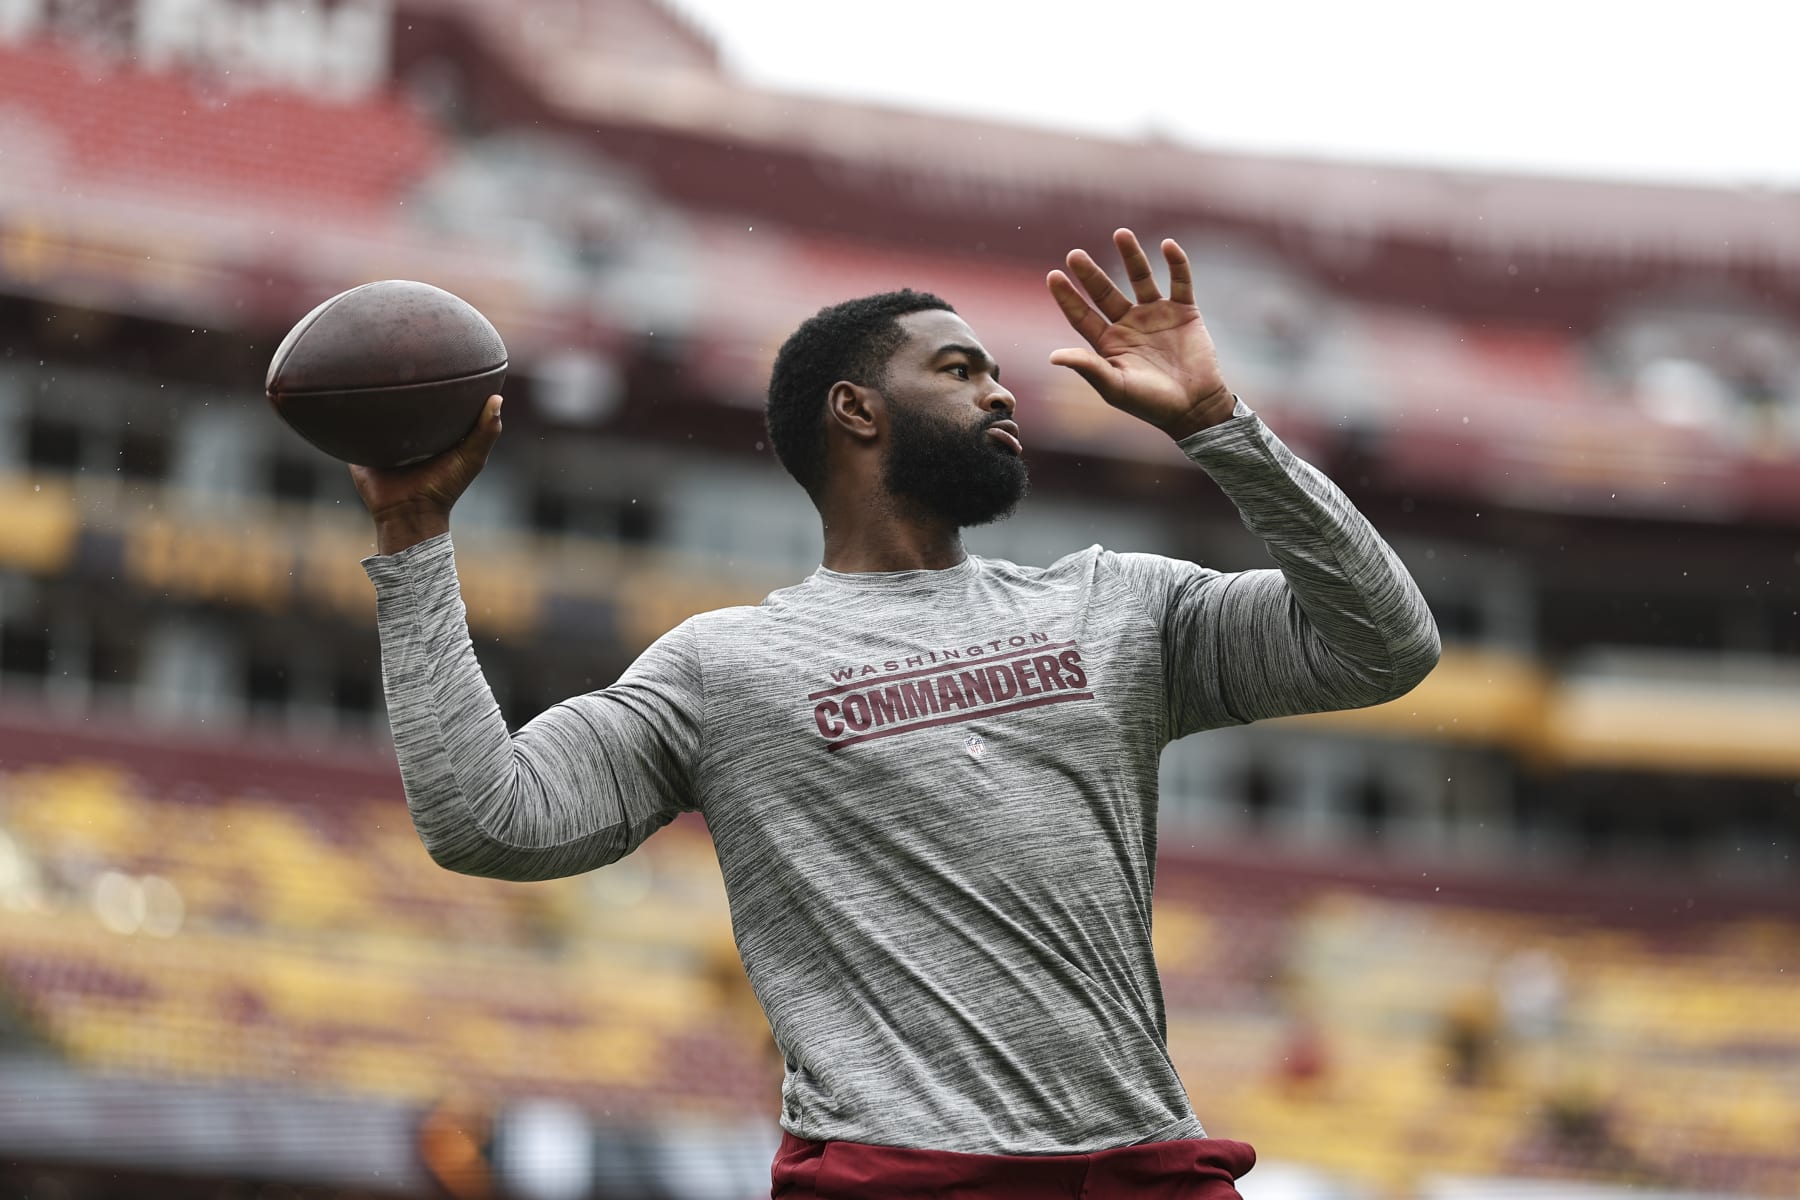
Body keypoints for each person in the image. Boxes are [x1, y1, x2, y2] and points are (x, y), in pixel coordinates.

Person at [351, 230, 1441, 1198]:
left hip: (1137, 1167)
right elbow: (487, 818)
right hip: (896, 1176)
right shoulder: (723, 667)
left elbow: (1384, 645)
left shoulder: (1118, 605)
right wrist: (412, 539)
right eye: (960, 370)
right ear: (855, 409)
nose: (1003, 393)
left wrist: (1221, 425)